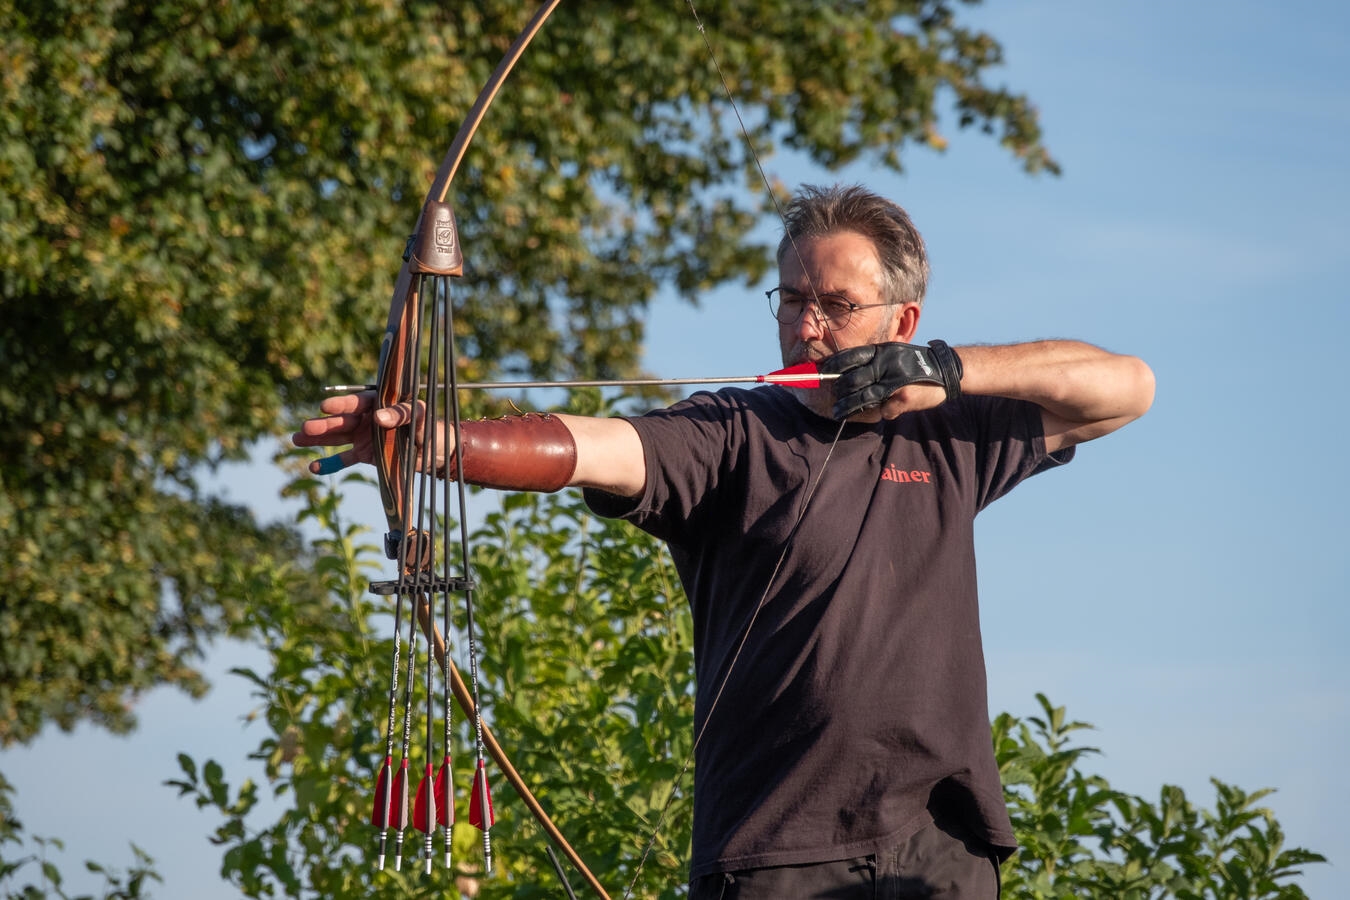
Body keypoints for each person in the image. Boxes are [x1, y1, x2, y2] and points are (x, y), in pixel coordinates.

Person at [295, 184, 1155, 898]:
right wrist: (438, 443)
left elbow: (1126, 387)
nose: (808, 327)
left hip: (940, 851)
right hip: (777, 853)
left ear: (903, 319)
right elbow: (600, 446)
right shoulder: (734, 434)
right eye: (794, 301)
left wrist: (947, 370)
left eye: (838, 306)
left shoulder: (948, 434)